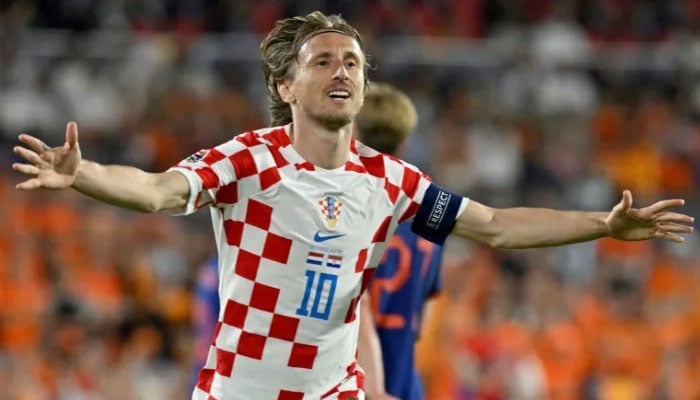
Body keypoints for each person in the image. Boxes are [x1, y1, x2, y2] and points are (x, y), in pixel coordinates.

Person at [11, 11, 693, 400]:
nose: (342, 72)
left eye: (354, 64)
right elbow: (159, 192)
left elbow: (497, 227)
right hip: (239, 392)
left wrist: (602, 225)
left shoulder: (390, 181)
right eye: (324, 62)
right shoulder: (252, 158)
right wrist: (86, 175)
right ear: (285, 85)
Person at [353, 82, 442, 400]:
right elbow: (424, 316)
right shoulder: (428, 217)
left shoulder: (343, 205)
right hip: (405, 385)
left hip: (351, 384)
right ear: (403, 144)